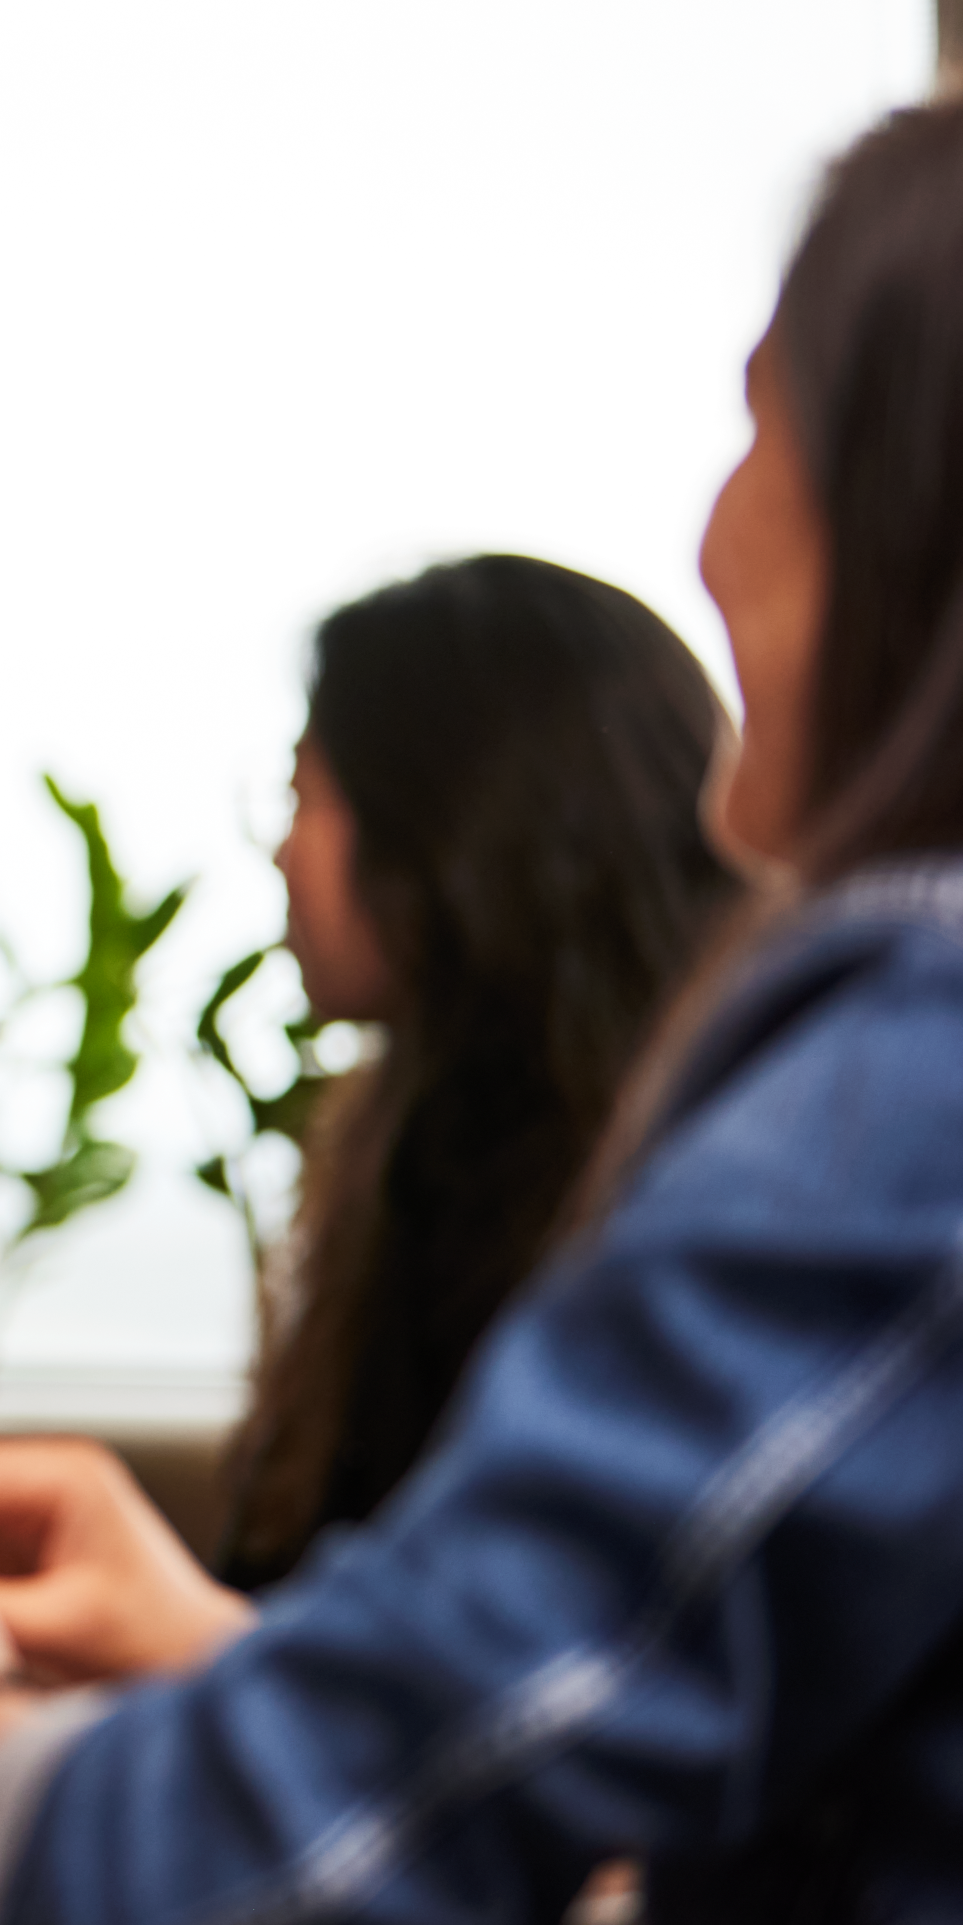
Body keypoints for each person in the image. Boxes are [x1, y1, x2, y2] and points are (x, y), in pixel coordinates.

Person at [0, 85, 963, 1925]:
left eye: (760, 419)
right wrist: (211, 1642)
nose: (712, 527)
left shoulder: (927, 1067)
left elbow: (279, 1867)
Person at [224, 554, 742, 1585]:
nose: (278, 851)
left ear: (440, 827)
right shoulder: (414, 1136)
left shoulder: (579, 1198)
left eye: (302, 795)